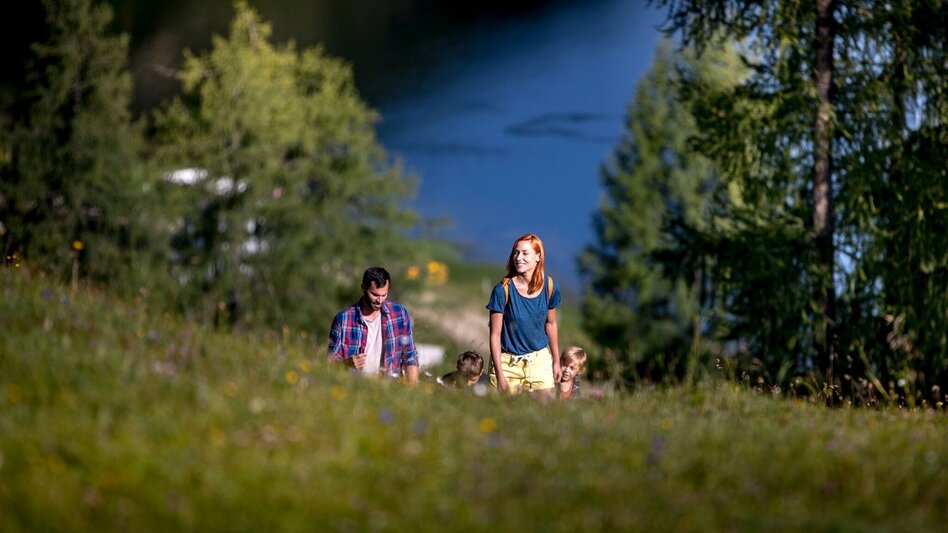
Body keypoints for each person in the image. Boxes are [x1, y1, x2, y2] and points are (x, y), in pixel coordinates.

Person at [487, 233, 561, 399]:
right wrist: (500, 375)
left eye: (525, 253)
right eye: (515, 252)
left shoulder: (550, 287)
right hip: (507, 363)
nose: (518, 257)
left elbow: (551, 324)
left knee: (547, 415)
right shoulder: (502, 290)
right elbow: (495, 335)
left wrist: (556, 361)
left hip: (540, 361)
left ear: (538, 256)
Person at [328, 267, 419, 383]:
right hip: (354, 389)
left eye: (384, 295)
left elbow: (410, 356)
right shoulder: (343, 319)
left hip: (390, 389)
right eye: (375, 295)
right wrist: (346, 364)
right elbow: (330, 364)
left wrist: (414, 390)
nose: (380, 300)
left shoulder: (399, 314)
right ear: (363, 288)